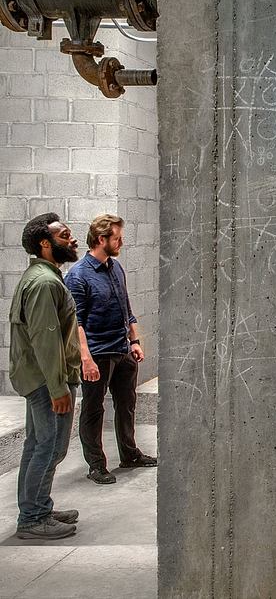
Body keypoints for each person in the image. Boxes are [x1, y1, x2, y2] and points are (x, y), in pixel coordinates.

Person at [65, 214, 157, 485]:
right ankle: (96, 464)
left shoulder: (115, 268)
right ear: (101, 239)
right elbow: (76, 323)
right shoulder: (78, 276)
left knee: (127, 404)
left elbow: (126, 307)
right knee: (93, 410)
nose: (121, 242)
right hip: (97, 353)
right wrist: (86, 359)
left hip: (122, 349)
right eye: (117, 238)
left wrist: (135, 341)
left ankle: (129, 454)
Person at [10, 213, 82, 540]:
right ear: (46, 243)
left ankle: (37, 506)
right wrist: (58, 388)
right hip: (46, 380)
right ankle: (33, 518)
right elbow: (46, 338)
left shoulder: (42, 276)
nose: (73, 239)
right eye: (65, 235)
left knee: (37, 444)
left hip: (38, 377)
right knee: (49, 447)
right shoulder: (44, 282)